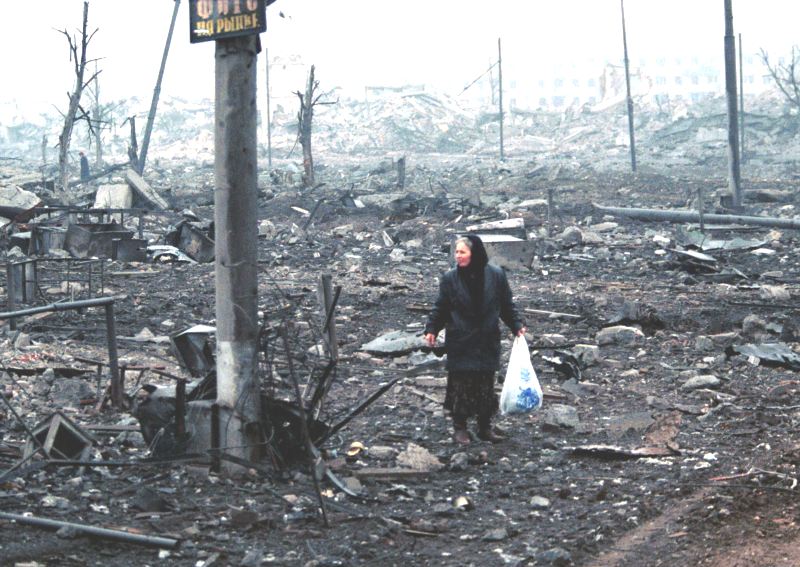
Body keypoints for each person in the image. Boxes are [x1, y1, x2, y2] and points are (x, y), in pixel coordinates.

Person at [424, 235, 526, 445]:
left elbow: (506, 304)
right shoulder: (450, 278)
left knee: (485, 384)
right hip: (461, 339)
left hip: (486, 338)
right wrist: (432, 329)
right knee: (460, 384)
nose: (457, 256)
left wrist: (516, 325)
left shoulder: (496, 275)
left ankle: (484, 427)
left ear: (475, 253)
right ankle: (460, 427)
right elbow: (441, 307)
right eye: (456, 252)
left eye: (462, 252)